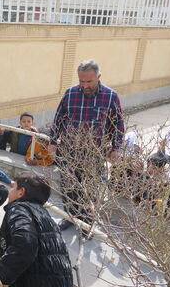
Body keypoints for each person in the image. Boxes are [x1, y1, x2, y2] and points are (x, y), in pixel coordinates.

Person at [0, 172, 73, 287]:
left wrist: (3, 277)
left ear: (21, 192)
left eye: (12, 187)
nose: (9, 191)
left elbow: (25, 243)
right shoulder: (44, 215)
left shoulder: (19, 209)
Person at [49, 60, 124, 231]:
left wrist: (116, 147)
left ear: (99, 77)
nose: (85, 85)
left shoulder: (111, 96)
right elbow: (58, 119)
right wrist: (53, 142)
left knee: (89, 189)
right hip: (69, 151)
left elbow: (118, 125)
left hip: (94, 153)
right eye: (81, 81)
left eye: (89, 81)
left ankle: (87, 223)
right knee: (68, 187)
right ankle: (70, 217)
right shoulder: (70, 94)